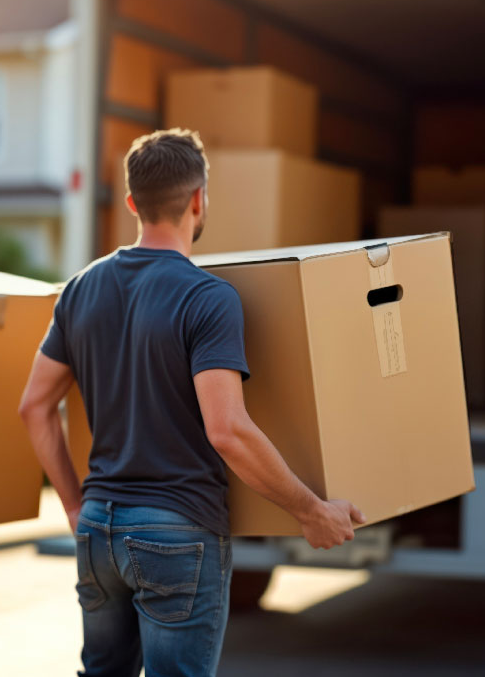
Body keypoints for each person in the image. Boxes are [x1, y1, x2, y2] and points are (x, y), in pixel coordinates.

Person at [18, 129, 365, 677]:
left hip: (98, 527)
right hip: (176, 532)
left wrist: (73, 505)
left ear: (132, 203)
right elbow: (227, 430)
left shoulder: (80, 288)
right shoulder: (207, 298)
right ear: (198, 199)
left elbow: (34, 407)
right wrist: (310, 510)